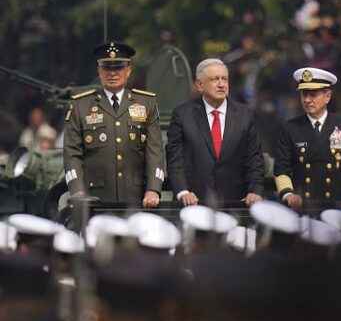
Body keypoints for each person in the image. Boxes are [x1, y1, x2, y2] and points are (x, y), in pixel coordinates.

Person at [63, 41, 164, 208]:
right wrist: (77, 191)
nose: (113, 73)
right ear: (99, 71)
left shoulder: (146, 103)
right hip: (93, 198)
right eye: (107, 68)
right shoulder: (81, 105)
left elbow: (155, 151)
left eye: (118, 68)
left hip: (137, 197)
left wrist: (153, 189)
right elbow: (72, 153)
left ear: (128, 71)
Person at [166, 58, 265, 207]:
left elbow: (255, 158)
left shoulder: (245, 114)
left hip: (237, 203)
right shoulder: (182, 115)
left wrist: (255, 191)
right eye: (215, 79)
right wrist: (182, 191)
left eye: (225, 79)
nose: (221, 84)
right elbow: (175, 160)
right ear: (200, 85)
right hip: (194, 203)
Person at [274, 67, 341, 209]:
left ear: (327, 96)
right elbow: (281, 169)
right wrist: (288, 194)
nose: (307, 100)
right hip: (302, 206)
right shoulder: (290, 128)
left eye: (313, 95)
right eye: (304, 94)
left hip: (337, 206)